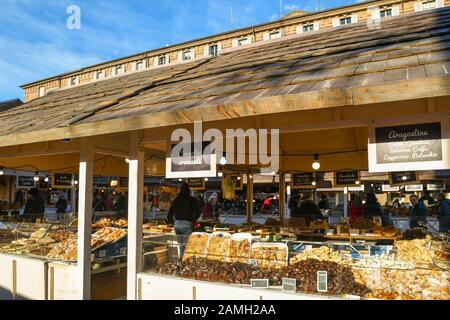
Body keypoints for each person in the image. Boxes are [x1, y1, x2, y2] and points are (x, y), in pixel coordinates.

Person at [167, 183, 201, 258]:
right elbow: (198, 212)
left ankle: (181, 260)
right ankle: (183, 263)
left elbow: (169, 216)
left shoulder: (175, 200)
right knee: (185, 246)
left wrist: (174, 223)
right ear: (188, 190)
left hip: (177, 225)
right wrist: (193, 220)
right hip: (187, 225)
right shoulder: (192, 200)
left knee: (181, 245)